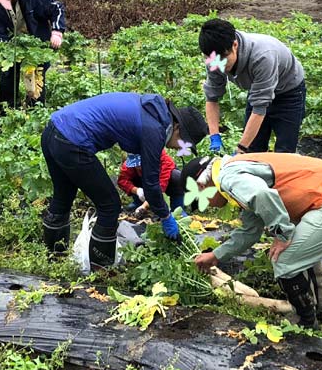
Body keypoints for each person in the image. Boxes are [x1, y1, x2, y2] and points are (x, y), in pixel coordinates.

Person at [190, 153, 322, 326]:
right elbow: (250, 231)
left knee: (285, 258)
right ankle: (321, 310)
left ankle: (304, 321)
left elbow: (262, 195)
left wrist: (282, 234)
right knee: (304, 254)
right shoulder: (236, 169)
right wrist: (216, 255)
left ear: (202, 186)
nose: (208, 206)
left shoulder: (227, 178)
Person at [41, 93, 208, 268]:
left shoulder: (153, 112)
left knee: (63, 197)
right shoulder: (155, 129)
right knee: (110, 205)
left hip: (53, 130)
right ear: (177, 128)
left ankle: (54, 263)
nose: (180, 148)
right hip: (72, 141)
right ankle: (101, 273)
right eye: (184, 143)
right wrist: (166, 216)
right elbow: (151, 185)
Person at [199, 18, 307, 155]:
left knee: (284, 153)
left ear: (235, 45)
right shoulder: (213, 59)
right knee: (253, 150)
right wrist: (214, 136)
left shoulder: (262, 57)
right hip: (258, 88)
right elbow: (212, 97)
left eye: (224, 58)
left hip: (289, 91)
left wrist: (241, 150)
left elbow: (259, 108)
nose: (221, 64)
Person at [0, 0, 66, 107]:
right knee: (8, 73)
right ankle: (8, 109)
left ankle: (36, 108)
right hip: (13, 41)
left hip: (37, 40)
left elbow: (56, 8)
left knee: (36, 75)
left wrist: (57, 31)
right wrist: (8, 48)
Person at [118, 150, 186, 212]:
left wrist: (146, 204)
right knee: (132, 178)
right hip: (144, 184)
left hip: (162, 183)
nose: (139, 167)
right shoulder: (129, 165)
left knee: (176, 177)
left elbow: (162, 182)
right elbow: (122, 180)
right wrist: (136, 190)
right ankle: (139, 202)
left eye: (142, 164)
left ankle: (177, 207)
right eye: (137, 165)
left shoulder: (162, 158)